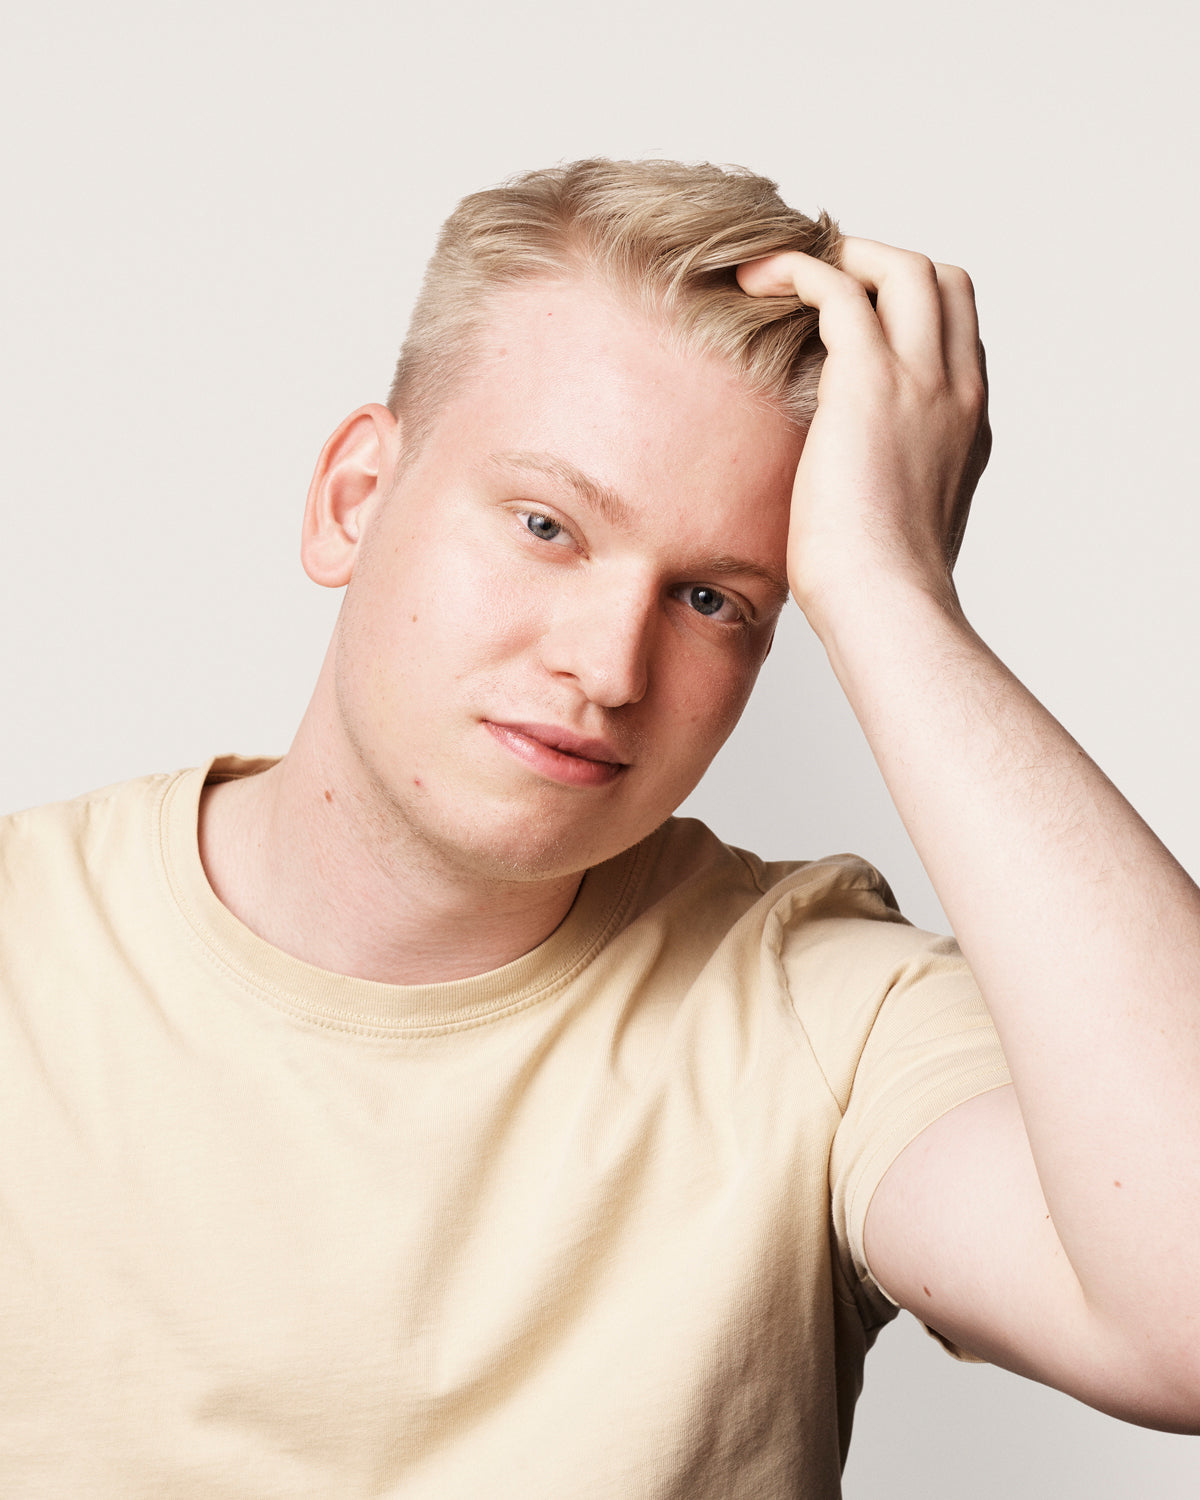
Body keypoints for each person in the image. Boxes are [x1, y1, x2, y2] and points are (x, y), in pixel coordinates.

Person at [1, 158, 1197, 1497]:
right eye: (545, 524)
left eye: (714, 601)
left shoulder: (816, 1007)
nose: (611, 665)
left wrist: (891, 594)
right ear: (354, 499)